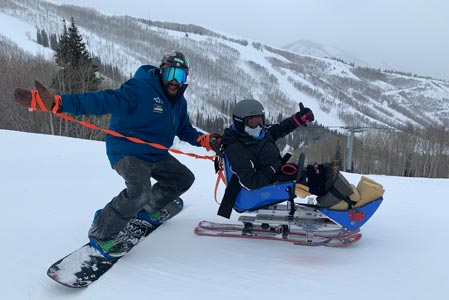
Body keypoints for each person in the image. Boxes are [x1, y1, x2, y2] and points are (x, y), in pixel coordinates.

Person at [14, 50, 220, 257]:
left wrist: (204, 139)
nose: (174, 81)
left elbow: (184, 129)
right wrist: (58, 103)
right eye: (170, 74)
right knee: (139, 192)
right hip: (126, 150)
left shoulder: (178, 103)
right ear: (160, 72)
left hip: (155, 152)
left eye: (180, 76)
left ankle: (150, 207)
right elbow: (102, 100)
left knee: (183, 179)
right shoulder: (140, 89)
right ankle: (101, 232)